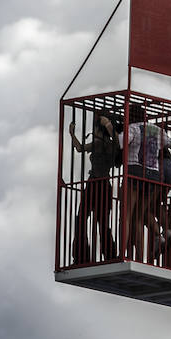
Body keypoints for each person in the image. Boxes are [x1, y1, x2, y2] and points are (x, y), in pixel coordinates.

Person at [67, 110, 120, 264]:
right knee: (103, 222)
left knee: (82, 219)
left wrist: (72, 134)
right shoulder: (111, 145)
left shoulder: (98, 143)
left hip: (93, 183)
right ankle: (110, 255)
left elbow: (79, 148)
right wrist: (108, 125)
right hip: (105, 185)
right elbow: (117, 142)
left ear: (98, 129)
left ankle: (81, 255)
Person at [122, 103, 171, 261]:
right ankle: (140, 257)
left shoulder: (132, 128)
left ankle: (123, 253)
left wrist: (109, 127)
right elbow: (169, 142)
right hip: (153, 175)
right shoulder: (157, 130)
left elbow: (121, 143)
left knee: (127, 215)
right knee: (139, 215)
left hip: (135, 171)